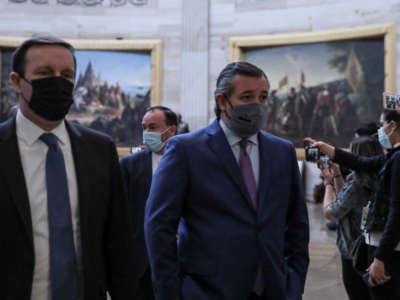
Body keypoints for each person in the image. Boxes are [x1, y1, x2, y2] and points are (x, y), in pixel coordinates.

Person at [145, 61, 310, 300]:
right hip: (206, 292)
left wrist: (293, 284)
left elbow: (297, 225)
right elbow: (158, 226)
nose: (258, 105)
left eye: (263, 97)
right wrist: (173, 292)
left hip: (274, 290)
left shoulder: (282, 151)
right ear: (223, 101)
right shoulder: (186, 150)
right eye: (247, 97)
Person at [0, 36, 136, 300]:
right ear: (16, 82)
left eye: (66, 75)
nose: (58, 82)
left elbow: (118, 243)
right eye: (44, 73)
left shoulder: (99, 149)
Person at [307, 109, 400, 299]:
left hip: (387, 249)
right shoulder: (393, 156)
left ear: (392, 126)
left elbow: (396, 214)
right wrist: (327, 148)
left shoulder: (397, 158)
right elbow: (361, 162)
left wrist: (380, 258)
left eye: (382, 125)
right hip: (377, 245)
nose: (381, 131)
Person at [120, 105, 178, 300]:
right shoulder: (129, 165)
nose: (147, 133)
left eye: (153, 127)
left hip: (181, 260)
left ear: (171, 130)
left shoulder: (191, 161)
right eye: (144, 127)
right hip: (140, 263)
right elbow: (120, 213)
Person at [321, 136, 383, 300]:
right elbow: (346, 203)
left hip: (353, 252)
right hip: (374, 249)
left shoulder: (357, 185)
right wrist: (337, 175)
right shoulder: (381, 178)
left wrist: (328, 184)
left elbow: (331, 213)